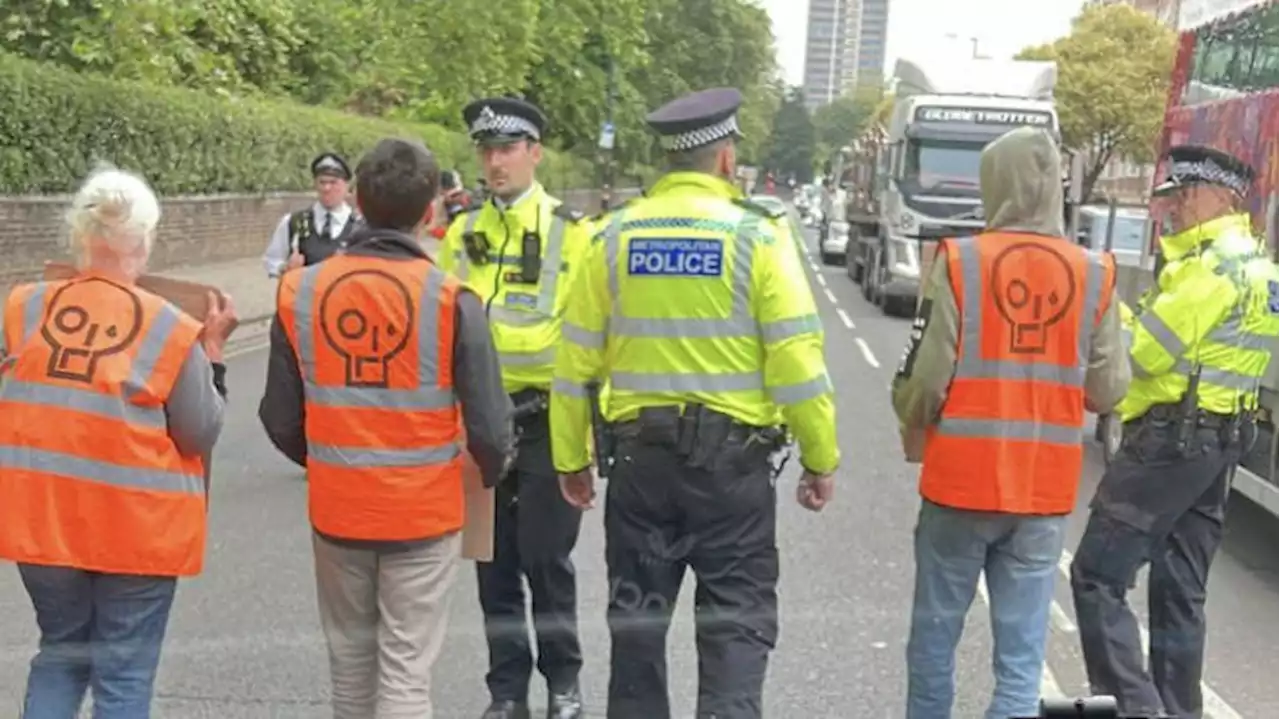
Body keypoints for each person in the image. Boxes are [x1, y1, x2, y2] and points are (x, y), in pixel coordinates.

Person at [550, 87, 840, 719]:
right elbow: (797, 362)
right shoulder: (758, 238)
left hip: (638, 471)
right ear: (727, 159)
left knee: (636, 635)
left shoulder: (611, 237)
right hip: (732, 477)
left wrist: (570, 458)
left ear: (668, 159)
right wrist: (820, 458)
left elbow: (573, 363)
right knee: (735, 634)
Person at [259, 137, 515, 718]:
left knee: (350, 678)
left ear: (358, 201)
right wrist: (487, 472)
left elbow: (278, 416)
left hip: (338, 511)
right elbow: (491, 430)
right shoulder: (453, 300)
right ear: (430, 212)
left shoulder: (300, 291)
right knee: (405, 674)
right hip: (424, 516)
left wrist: (329, 459)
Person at [891, 126, 1130, 719]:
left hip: (959, 487)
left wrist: (913, 420)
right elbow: (1108, 389)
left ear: (993, 184)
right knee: (1021, 666)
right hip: (1042, 494)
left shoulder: (961, 260)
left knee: (933, 645)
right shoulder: (1095, 273)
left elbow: (927, 378)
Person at [0, 166, 236, 716]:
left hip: (44, 521)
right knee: (123, 676)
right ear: (146, 242)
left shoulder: (24, 308)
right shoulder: (170, 326)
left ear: (80, 237)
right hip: (136, 532)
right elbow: (200, 430)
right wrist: (214, 355)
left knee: (61, 654)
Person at [1070, 144, 1280, 718]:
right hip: (1220, 442)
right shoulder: (1262, 267)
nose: (1175, 208)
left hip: (1169, 442)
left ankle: (1139, 709)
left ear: (1221, 197)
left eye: (1185, 195)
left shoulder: (1210, 268)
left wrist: (1115, 314)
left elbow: (1147, 355)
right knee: (1179, 589)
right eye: (1173, 196)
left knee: (1095, 575)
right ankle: (1179, 709)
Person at [436, 96, 595, 719]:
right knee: (493, 566)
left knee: (547, 561)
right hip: (481, 421)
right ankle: (507, 690)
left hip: (549, 419)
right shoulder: (462, 230)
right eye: (486, 150)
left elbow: (587, 334)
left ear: (535, 152)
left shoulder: (571, 233)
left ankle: (564, 682)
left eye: (507, 149)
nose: (495, 162)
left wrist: (585, 434)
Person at [262, 152, 360, 278]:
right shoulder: (293, 222)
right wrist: (285, 268)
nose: (326, 188)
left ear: (347, 186)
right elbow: (271, 260)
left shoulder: (360, 227)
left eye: (333, 182)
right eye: (322, 182)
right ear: (315, 184)